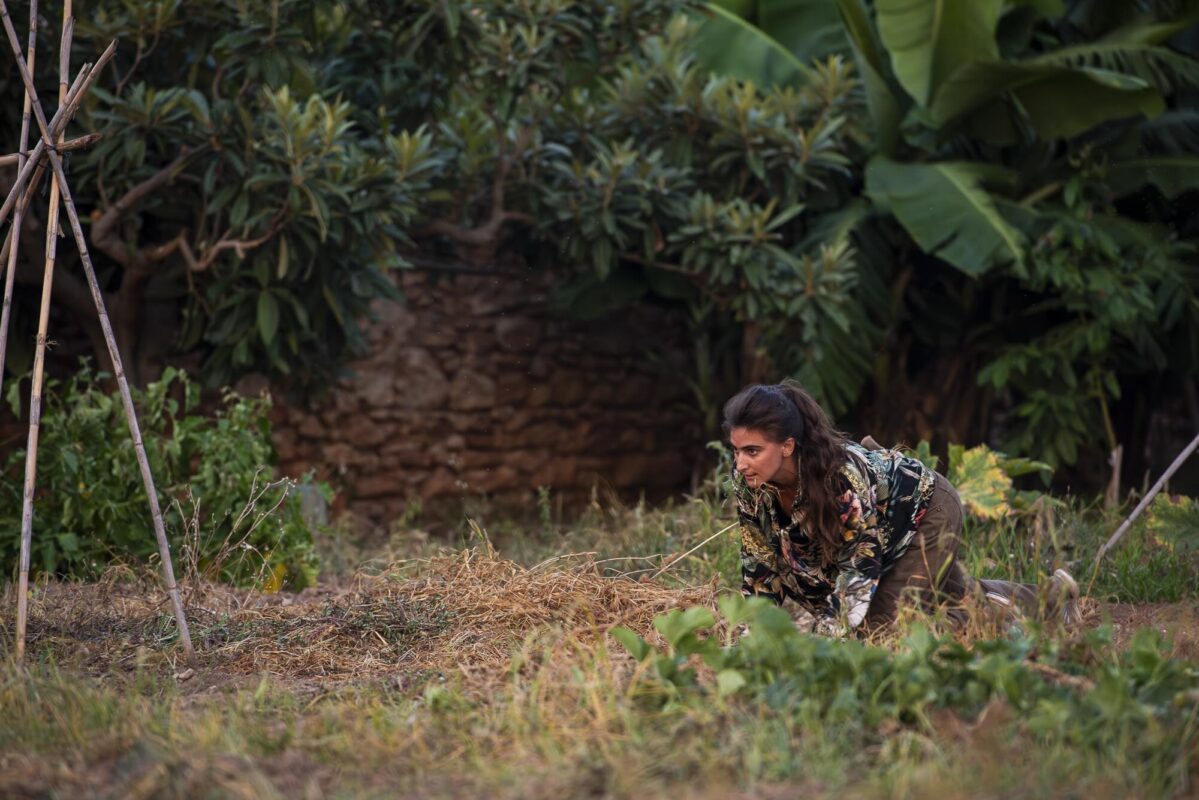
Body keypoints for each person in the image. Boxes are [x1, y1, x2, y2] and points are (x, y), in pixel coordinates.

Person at [723, 380, 1081, 637]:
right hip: (884, 529)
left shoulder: (839, 479)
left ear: (787, 446)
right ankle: (1053, 597)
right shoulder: (749, 483)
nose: (740, 463)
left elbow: (858, 567)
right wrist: (749, 635)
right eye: (737, 451)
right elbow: (760, 564)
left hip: (926, 512)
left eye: (752, 451)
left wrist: (822, 638)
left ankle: (1001, 627)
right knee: (953, 595)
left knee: (879, 631)